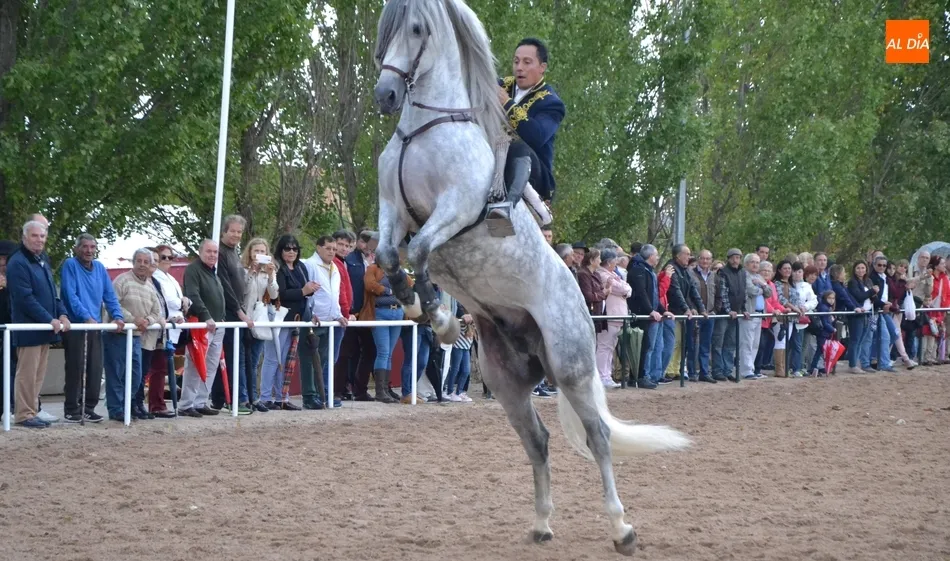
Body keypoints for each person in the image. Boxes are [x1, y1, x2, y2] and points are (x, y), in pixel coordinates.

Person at [493, 37, 566, 226]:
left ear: (542, 67)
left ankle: (505, 210)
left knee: (518, 146)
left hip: (536, 174)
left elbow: (537, 136)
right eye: (516, 61)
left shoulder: (551, 102)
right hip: (496, 158)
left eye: (527, 62)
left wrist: (507, 104)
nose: (519, 68)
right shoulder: (502, 85)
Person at [6, 221, 71, 428]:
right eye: (35, 236)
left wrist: (62, 314)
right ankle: (24, 414)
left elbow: (52, 294)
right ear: (24, 237)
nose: (39, 240)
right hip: (29, 329)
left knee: (38, 374)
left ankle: (31, 411)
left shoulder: (41, 260)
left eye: (42, 236)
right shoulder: (17, 262)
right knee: (26, 374)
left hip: (44, 329)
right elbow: (25, 298)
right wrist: (49, 319)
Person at [59, 234, 125, 423]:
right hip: (77, 325)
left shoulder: (100, 268)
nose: (88, 250)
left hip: (96, 325)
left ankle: (89, 407)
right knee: (76, 366)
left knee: (95, 367)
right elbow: (70, 294)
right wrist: (85, 316)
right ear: (77, 248)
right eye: (85, 247)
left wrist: (117, 316)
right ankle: (72, 408)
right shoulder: (70, 265)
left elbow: (109, 295)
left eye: (92, 247)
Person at [105, 249, 164, 421]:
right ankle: (116, 409)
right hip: (118, 334)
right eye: (139, 261)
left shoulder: (151, 287)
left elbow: (156, 311)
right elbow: (112, 304)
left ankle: (127, 405)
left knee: (136, 375)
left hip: (137, 336)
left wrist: (147, 320)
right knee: (116, 373)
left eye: (146, 262)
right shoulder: (121, 280)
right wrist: (133, 319)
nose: (142, 265)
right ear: (133, 262)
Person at [259, 234, 313, 410]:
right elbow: (279, 294)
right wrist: (303, 291)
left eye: (295, 248)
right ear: (280, 250)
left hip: (295, 319)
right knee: (273, 359)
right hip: (278, 317)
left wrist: (309, 292)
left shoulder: (301, 268)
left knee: (287, 360)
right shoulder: (277, 269)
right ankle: (265, 397)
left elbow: (303, 292)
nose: (291, 252)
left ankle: (282, 397)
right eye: (287, 248)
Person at [177, 240, 226, 418]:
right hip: (202, 325)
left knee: (211, 365)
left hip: (217, 324)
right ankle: (186, 404)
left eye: (215, 252)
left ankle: (200, 401)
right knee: (196, 364)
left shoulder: (213, 273)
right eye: (209, 251)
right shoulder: (193, 270)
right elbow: (193, 295)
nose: (212, 255)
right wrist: (207, 316)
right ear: (200, 252)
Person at [211, 215, 254, 415]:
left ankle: (224, 398)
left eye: (239, 232)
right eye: (233, 231)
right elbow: (224, 285)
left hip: (237, 311)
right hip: (228, 313)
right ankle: (232, 399)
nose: (236, 235)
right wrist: (238, 310)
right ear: (224, 231)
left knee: (235, 357)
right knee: (231, 358)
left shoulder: (233, 253)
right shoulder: (220, 253)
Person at [303, 235, 349, 409]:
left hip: (330, 320)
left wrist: (338, 315)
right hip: (314, 321)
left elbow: (334, 295)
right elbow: (307, 292)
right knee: (310, 360)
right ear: (318, 247)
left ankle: (322, 394)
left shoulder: (335, 268)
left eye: (334, 249)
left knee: (324, 360)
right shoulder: (310, 265)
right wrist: (310, 313)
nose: (332, 252)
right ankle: (310, 396)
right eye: (328, 248)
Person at [241, 238, 278, 412]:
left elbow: (274, 294)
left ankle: (253, 397)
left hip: (260, 319)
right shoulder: (242, 270)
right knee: (242, 360)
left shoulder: (269, 271)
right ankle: (242, 397)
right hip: (243, 317)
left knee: (255, 360)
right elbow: (242, 291)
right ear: (249, 253)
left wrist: (270, 275)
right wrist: (251, 272)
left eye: (263, 251)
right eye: (256, 251)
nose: (259, 254)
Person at [360, 260, 404, 404]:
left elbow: (408, 284)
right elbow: (370, 285)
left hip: (397, 312)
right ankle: (380, 391)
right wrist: (388, 291)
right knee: (383, 351)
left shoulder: (398, 270)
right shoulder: (373, 268)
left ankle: (386, 389)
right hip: (380, 312)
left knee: (389, 353)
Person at [341, 230, 378, 401]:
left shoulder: (377, 262)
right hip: (351, 312)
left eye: (370, 243)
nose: (367, 246)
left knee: (370, 350)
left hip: (367, 313)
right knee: (348, 351)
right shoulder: (349, 260)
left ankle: (359, 388)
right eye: (363, 242)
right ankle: (344, 387)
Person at [594, 249, 631, 388]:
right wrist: (625, 290)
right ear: (609, 262)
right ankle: (601, 376)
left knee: (610, 347)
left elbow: (627, 288)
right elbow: (621, 289)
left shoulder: (613, 274)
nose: (617, 263)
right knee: (604, 346)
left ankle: (606, 375)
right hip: (609, 315)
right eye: (615, 260)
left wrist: (625, 289)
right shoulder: (603, 275)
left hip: (617, 316)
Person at [738, 253, 771, 380]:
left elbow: (769, 292)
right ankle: (746, 370)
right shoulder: (744, 275)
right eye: (752, 262)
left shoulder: (759, 277)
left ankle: (750, 368)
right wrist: (762, 288)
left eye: (757, 262)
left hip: (760, 313)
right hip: (749, 313)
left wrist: (762, 285)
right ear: (746, 263)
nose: (755, 264)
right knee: (747, 342)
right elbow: (751, 290)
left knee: (755, 343)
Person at [0, 239, 16, 420]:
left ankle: (9, 407)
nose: (3, 264)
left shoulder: (15, 279)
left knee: (11, 370)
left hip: (11, 333)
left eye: (6, 259)